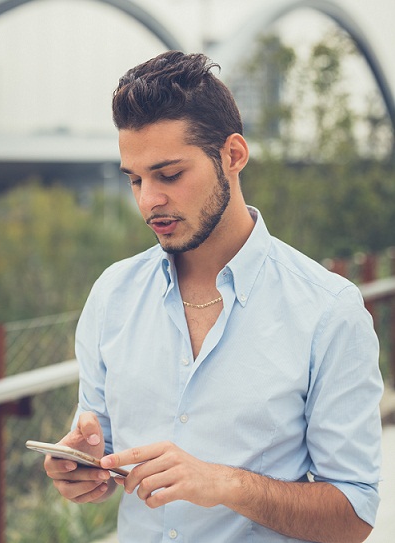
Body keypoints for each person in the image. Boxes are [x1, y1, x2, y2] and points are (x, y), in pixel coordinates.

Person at [44, 51, 383, 543]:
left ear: (233, 155)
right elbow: (103, 450)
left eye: (169, 174)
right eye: (135, 179)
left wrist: (225, 483)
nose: (148, 200)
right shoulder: (111, 296)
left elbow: (355, 515)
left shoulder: (329, 311)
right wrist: (82, 470)